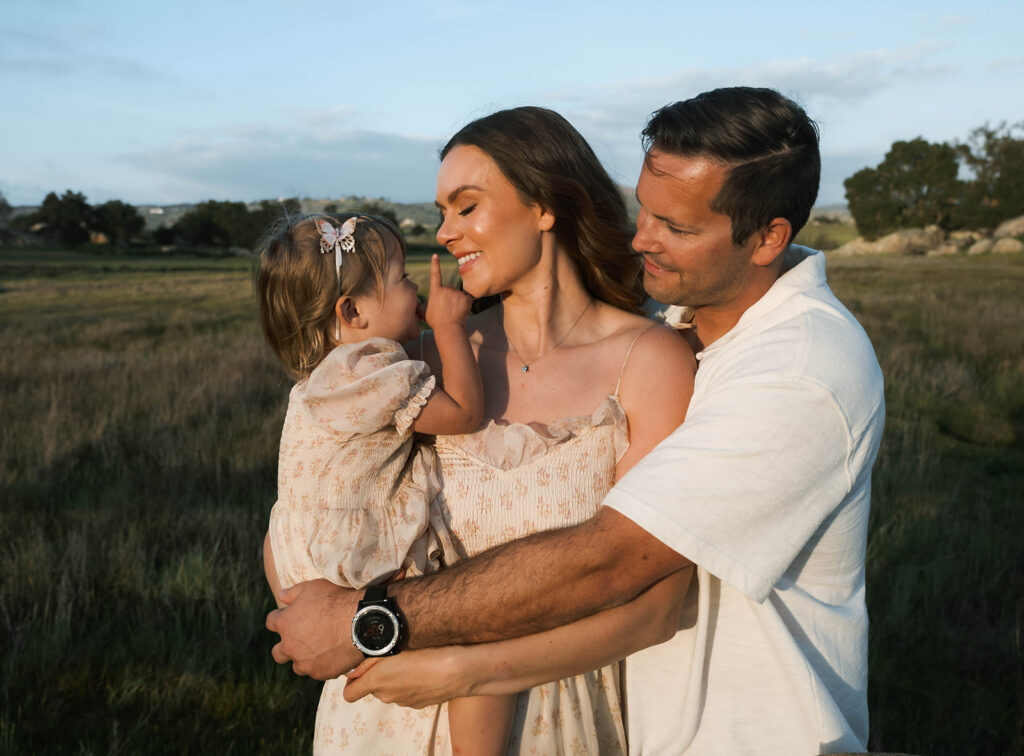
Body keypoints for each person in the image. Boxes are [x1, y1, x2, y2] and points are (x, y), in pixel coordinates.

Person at [270, 88, 885, 753]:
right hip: (389, 711)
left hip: (691, 727)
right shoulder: (430, 360)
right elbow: (317, 488)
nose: (641, 236)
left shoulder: (782, 367)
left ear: (544, 206)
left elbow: (619, 569)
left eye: (467, 206)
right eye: (644, 211)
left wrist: (399, 636)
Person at [255, 212, 516, 754]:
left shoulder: (322, 377)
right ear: (351, 311)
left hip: (295, 556)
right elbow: (466, 412)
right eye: (401, 278)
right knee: (470, 638)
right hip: (359, 555)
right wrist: (447, 326)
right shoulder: (370, 371)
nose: (416, 287)